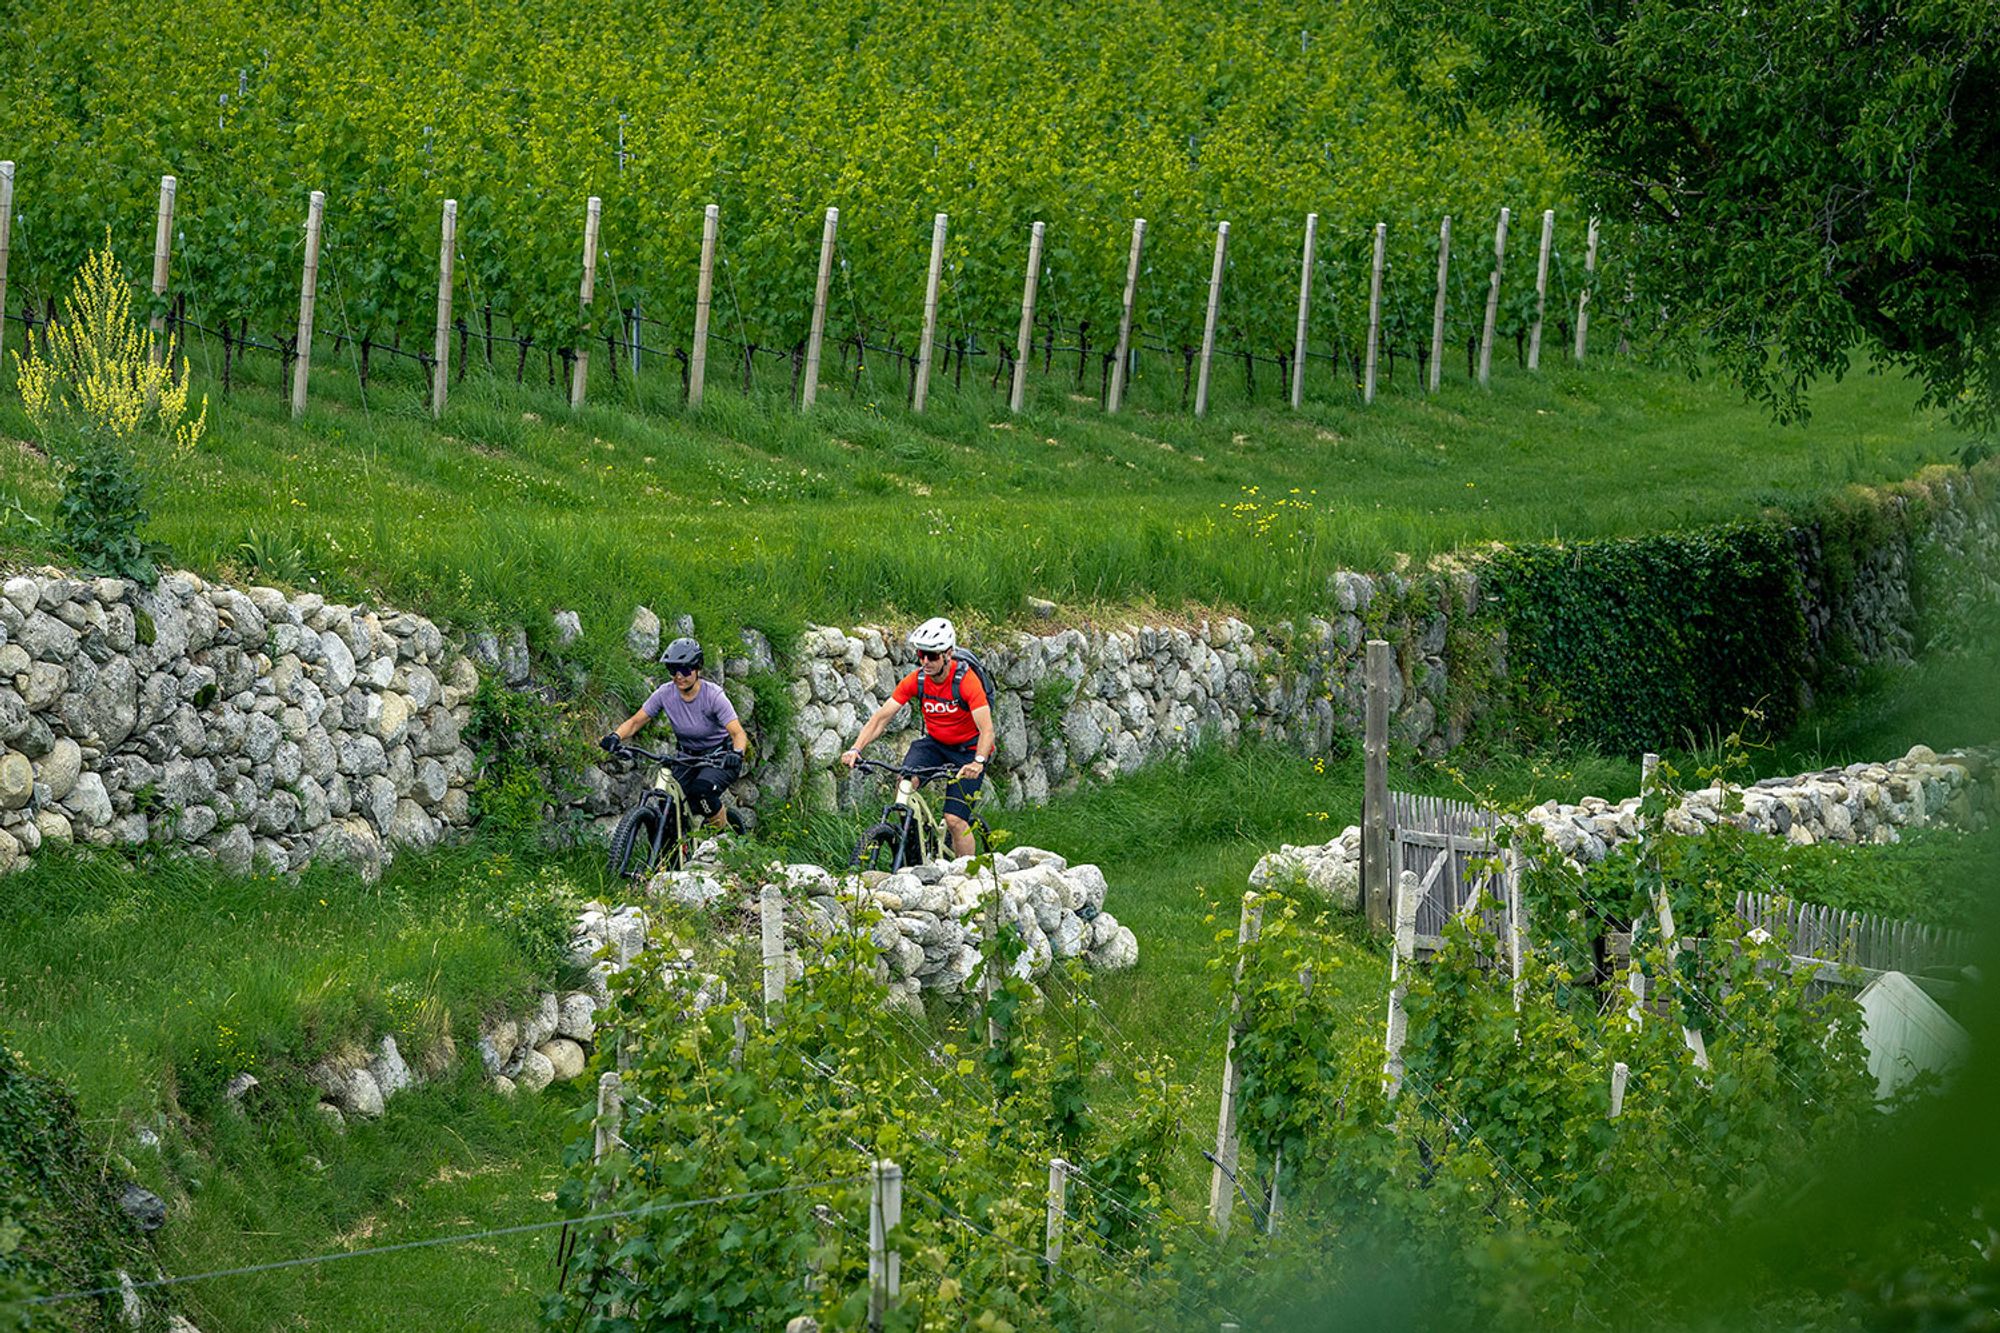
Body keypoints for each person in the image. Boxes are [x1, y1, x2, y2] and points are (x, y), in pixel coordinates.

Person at [841, 617, 994, 857]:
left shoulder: (966, 682)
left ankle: (969, 880)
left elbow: (987, 730)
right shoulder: (918, 679)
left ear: (948, 654)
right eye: (921, 654)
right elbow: (882, 717)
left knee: (954, 820)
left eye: (932, 656)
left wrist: (979, 762)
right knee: (904, 788)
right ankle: (914, 850)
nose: (925, 661)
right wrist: (856, 749)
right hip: (934, 745)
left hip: (968, 751)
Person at [600, 637, 748, 830]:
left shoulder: (713, 696)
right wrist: (615, 736)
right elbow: (636, 721)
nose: (679, 676)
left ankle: (723, 845)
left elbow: (738, 733)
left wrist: (736, 754)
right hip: (686, 758)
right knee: (666, 806)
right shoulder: (665, 693)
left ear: (697, 669)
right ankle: (666, 859)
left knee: (702, 792)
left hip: (719, 757)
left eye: (685, 670)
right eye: (673, 670)